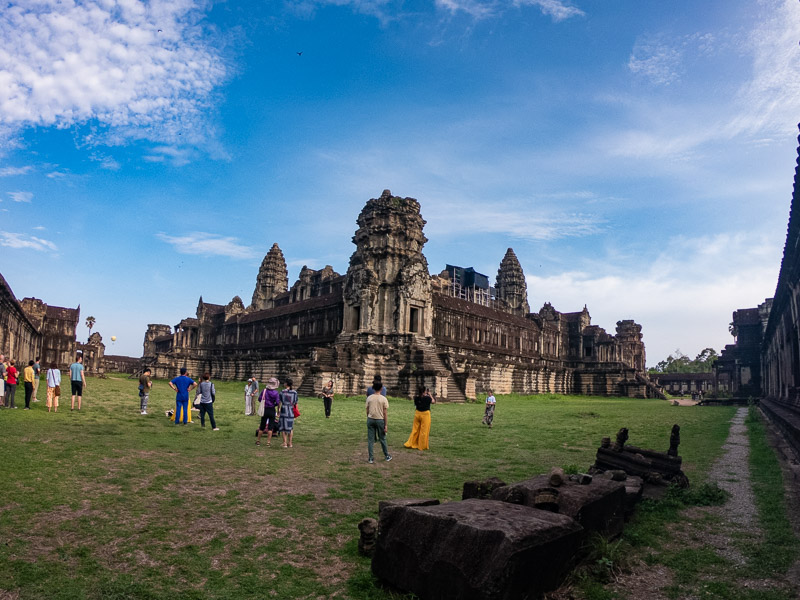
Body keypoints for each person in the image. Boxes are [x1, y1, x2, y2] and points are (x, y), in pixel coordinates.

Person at [404, 385, 436, 451]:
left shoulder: (416, 398)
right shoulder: (427, 398)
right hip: (425, 414)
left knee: (415, 430)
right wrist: (430, 394)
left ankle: (411, 443)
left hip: (417, 413)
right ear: (425, 391)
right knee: (424, 431)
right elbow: (433, 401)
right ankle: (421, 445)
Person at [366, 390, 392, 463]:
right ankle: (386, 455)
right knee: (382, 439)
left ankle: (371, 458)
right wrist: (386, 425)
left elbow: (367, 410)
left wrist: (368, 418)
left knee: (370, 440)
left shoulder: (369, 398)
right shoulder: (383, 399)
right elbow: (385, 413)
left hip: (370, 419)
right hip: (380, 420)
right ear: (381, 389)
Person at [256, 377, 281, 446]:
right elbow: (278, 402)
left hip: (265, 409)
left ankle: (258, 441)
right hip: (272, 409)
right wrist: (276, 407)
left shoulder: (264, 391)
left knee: (262, 426)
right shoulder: (276, 393)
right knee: (270, 427)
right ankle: (268, 442)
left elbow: (259, 399)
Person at [277, 378, 298, 448]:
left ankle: (284, 442)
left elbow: (279, 402)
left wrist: (278, 411)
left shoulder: (282, 392)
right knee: (290, 427)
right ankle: (290, 443)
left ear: (286, 384)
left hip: (284, 410)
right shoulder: (294, 393)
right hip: (291, 411)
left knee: (283, 427)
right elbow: (295, 402)